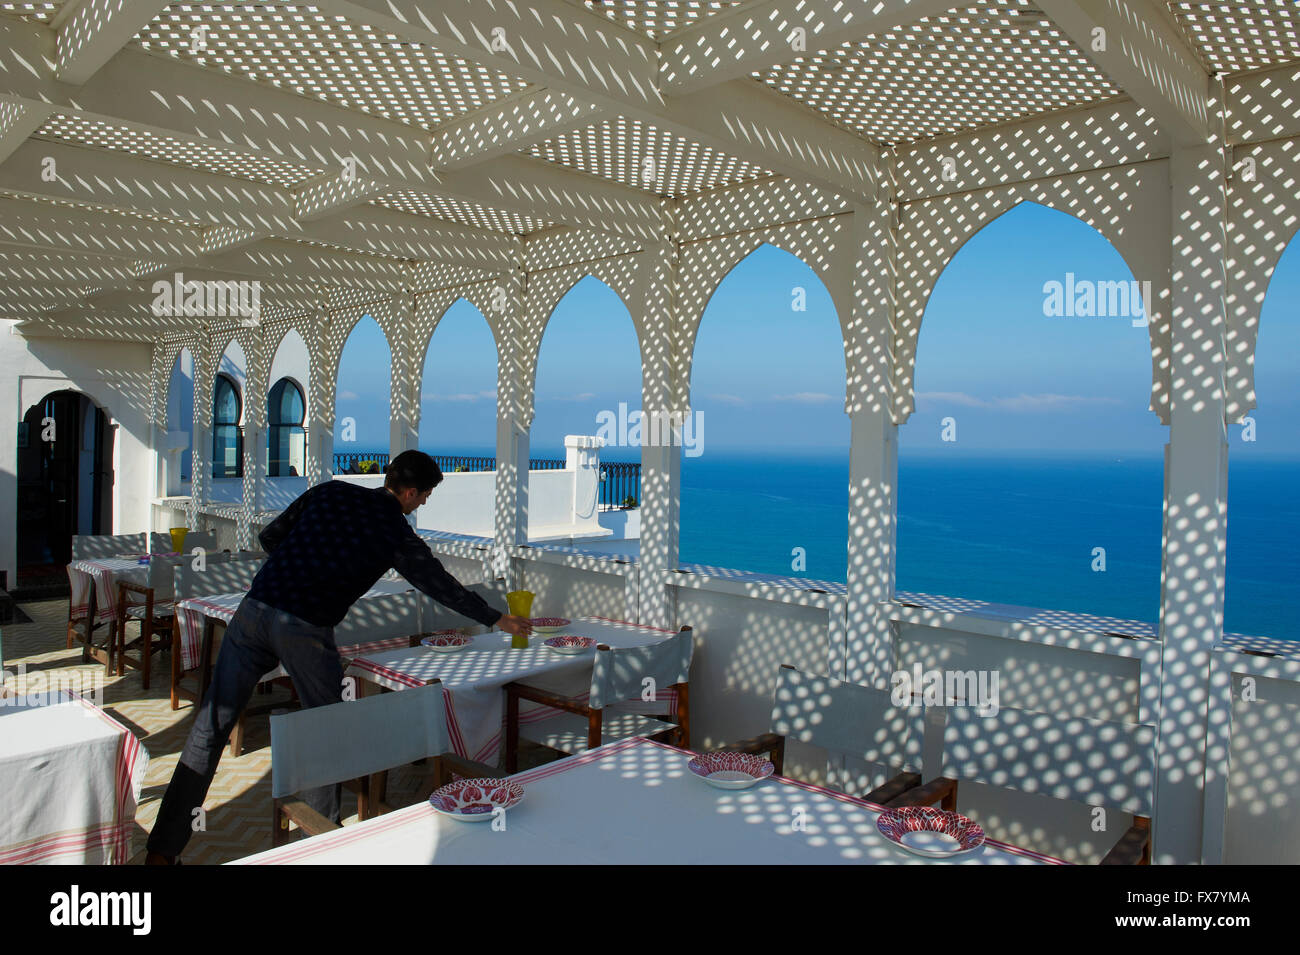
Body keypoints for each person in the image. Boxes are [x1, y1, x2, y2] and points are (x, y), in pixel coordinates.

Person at [144, 450, 532, 864]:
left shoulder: (328, 492)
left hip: (253, 611)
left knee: (210, 726)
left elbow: (270, 537)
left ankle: (163, 852)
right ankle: (320, 845)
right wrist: (494, 617)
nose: (423, 504)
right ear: (410, 491)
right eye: (425, 496)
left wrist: (297, 573)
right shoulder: (392, 530)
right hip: (304, 628)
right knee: (323, 731)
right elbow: (437, 583)